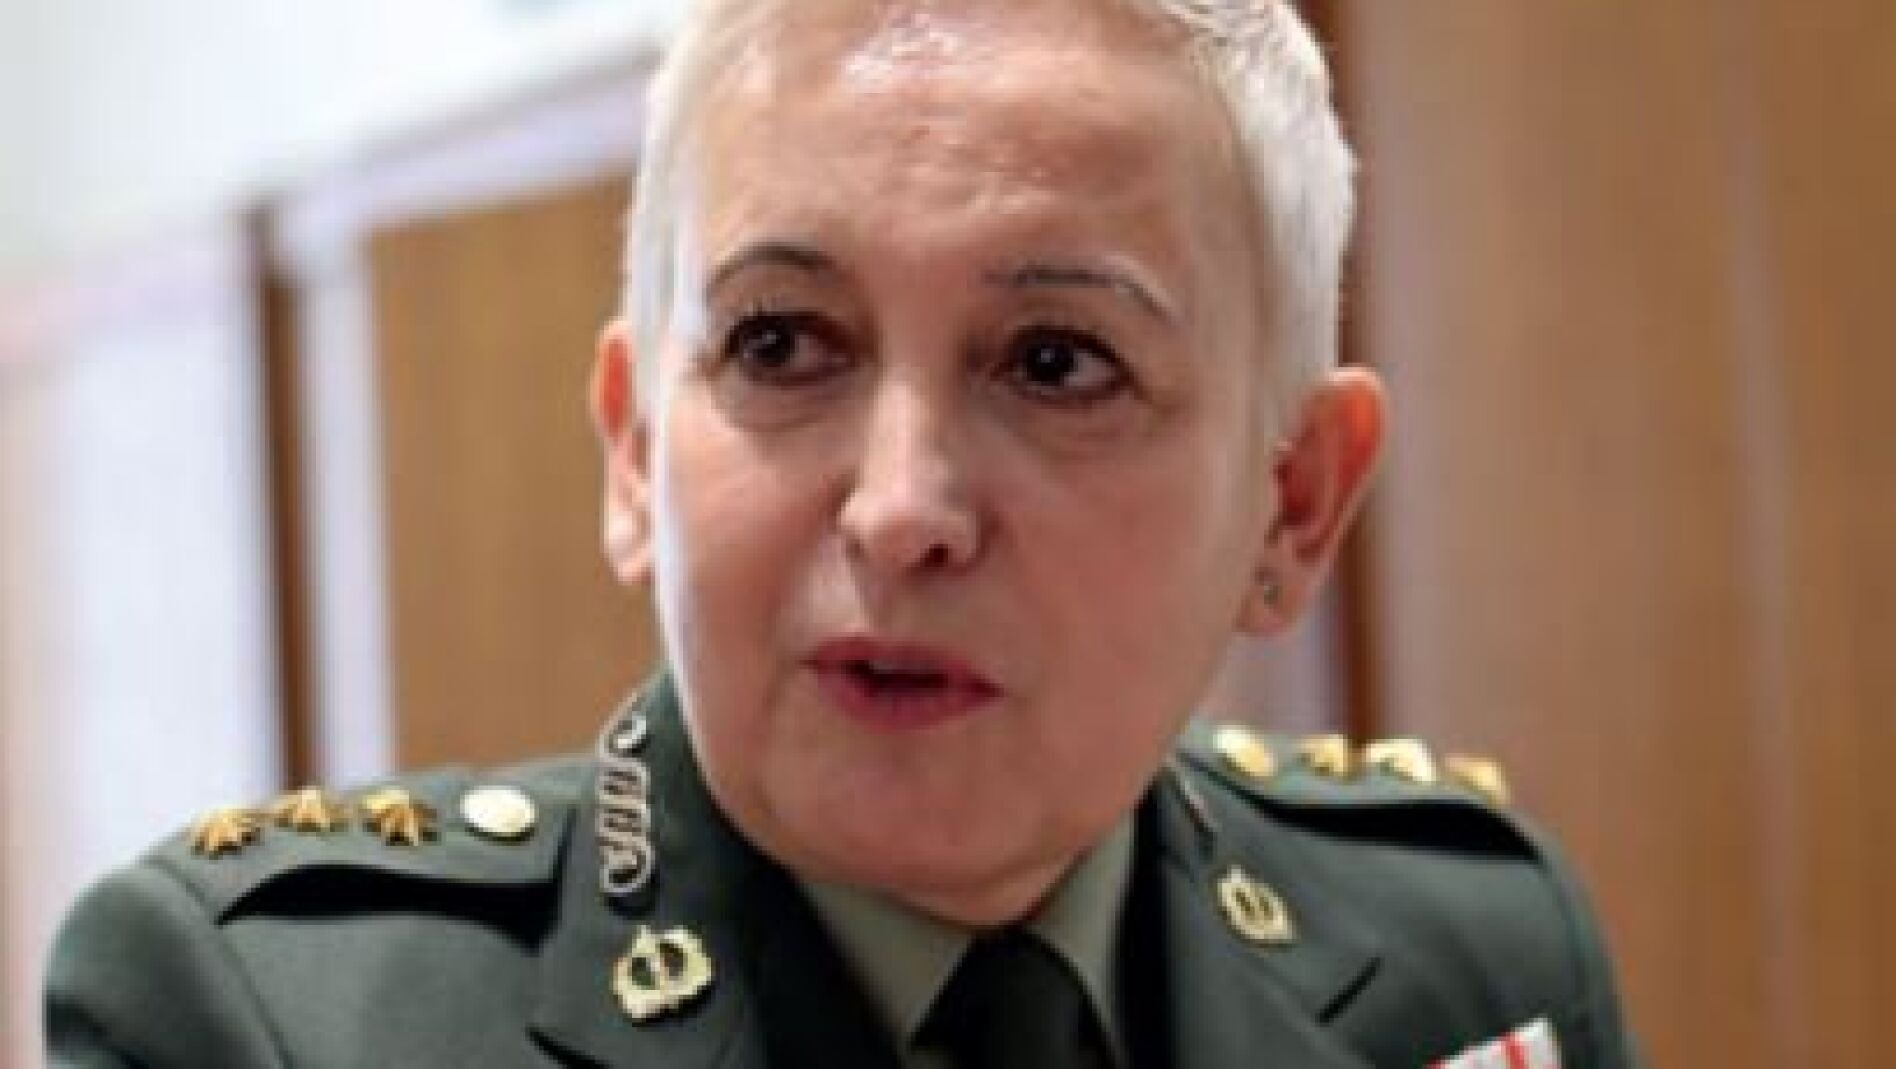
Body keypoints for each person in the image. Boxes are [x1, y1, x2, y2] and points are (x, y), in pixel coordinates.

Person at [45, 0, 1643, 1065]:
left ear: (1292, 503)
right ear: (634, 450)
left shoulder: (1469, 956)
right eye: (782, 342)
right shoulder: (264, 1025)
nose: (900, 509)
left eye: (1056, 362)